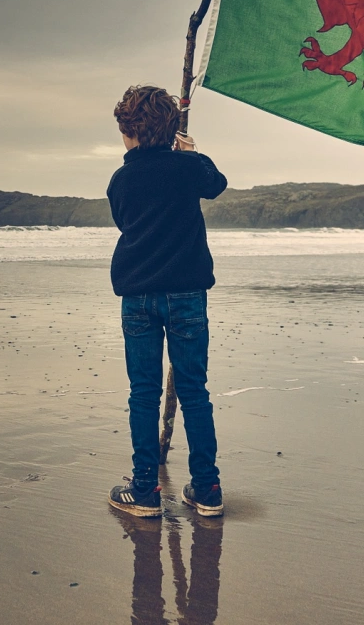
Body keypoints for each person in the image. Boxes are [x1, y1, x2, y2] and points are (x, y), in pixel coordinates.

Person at [106, 85, 227, 518]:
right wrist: (192, 155)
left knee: (143, 392)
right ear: (173, 130)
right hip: (188, 294)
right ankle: (207, 488)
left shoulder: (122, 179)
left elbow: (123, 218)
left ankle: (144, 490)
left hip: (138, 295)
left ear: (129, 132)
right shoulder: (188, 169)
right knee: (195, 390)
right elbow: (217, 184)